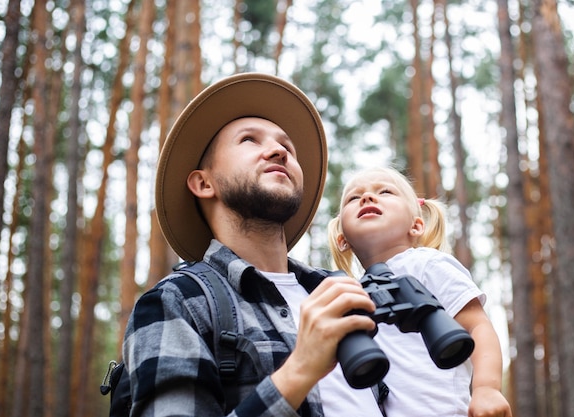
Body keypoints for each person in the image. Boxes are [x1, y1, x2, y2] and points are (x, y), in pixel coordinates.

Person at [123, 73, 385, 417]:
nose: (279, 151)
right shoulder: (179, 302)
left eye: (287, 147)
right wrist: (300, 370)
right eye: (249, 140)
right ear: (204, 183)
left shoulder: (342, 291)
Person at [328, 166, 512, 417]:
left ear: (416, 226)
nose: (367, 198)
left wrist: (486, 388)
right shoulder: (351, 293)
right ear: (342, 239)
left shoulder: (427, 264)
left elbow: (477, 325)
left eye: (385, 191)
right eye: (353, 197)